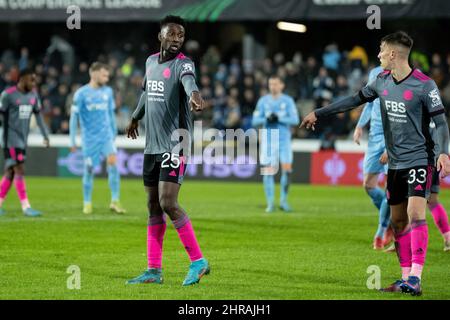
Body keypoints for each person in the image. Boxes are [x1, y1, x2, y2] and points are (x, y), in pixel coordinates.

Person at [301, 31, 450, 296]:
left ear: (393, 54)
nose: (378, 55)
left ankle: (416, 277)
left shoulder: (424, 85)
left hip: (419, 159)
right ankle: (405, 278)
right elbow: (353, 100)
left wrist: (444, 153)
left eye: (381, 51)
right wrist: (318, 113)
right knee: (398, 221)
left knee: (417, 214)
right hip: (395, 162)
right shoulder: (381, 82)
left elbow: (440, 123)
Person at [125, 15, 209, 286]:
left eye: (180, 36)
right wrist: (136, 117)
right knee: (152, 206)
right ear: (160, 36)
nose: (176, 40)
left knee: (168, 202)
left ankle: (198, 261)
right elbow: (147, 92)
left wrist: (194, 95)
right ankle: (153, 270)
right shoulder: (150, 62)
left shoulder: (184, 64)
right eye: (171, 35)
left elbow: (189, 83)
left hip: (177, 142)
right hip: (152, 145)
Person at [69, 62, 125, 215]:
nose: (106, 78)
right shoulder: (81, 94)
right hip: (89, 139)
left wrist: (113, 133)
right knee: (89, 170)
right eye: (103, 75)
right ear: (93, 73)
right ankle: (87, 202)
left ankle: (115, 200)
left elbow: (111, 114)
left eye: (108, 75)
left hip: (106, 136)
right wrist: (72, 140)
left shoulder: (108, 92)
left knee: (113, 163)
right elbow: (74, 118)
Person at [0, 68, 50, 217]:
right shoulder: (7, 95)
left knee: (10, 172)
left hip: (22, 140)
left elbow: (39, 116)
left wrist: (45, 135)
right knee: (19, 169)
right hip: (10, 139)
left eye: (35, 80)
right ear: (21, 79)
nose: (34, 83)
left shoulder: (33, 96)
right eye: (31, 79)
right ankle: (26, 206)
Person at [353, 66, 393, 250]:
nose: (379, 54)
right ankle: (392, 218)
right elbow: (369, 103)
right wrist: (360, 126)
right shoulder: (374, 72)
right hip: (374, 136)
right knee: (368, 184)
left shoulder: (400, 74)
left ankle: (381, 231)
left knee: (390, 189)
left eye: (382, 50)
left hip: (391, 135)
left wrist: (392, 146)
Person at [252, 75, 299, 212]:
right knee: (268, 172)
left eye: (276, 84)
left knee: (287, 171)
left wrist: (280, 118)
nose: (273, 86)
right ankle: (270, 203)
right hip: (269, 140)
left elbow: (295, 120)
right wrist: (266, 118)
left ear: (282, 85)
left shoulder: (288, 101)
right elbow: (255, 121)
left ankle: (283, 201)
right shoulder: (263, 101)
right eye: (271, 84)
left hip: (284, 141)